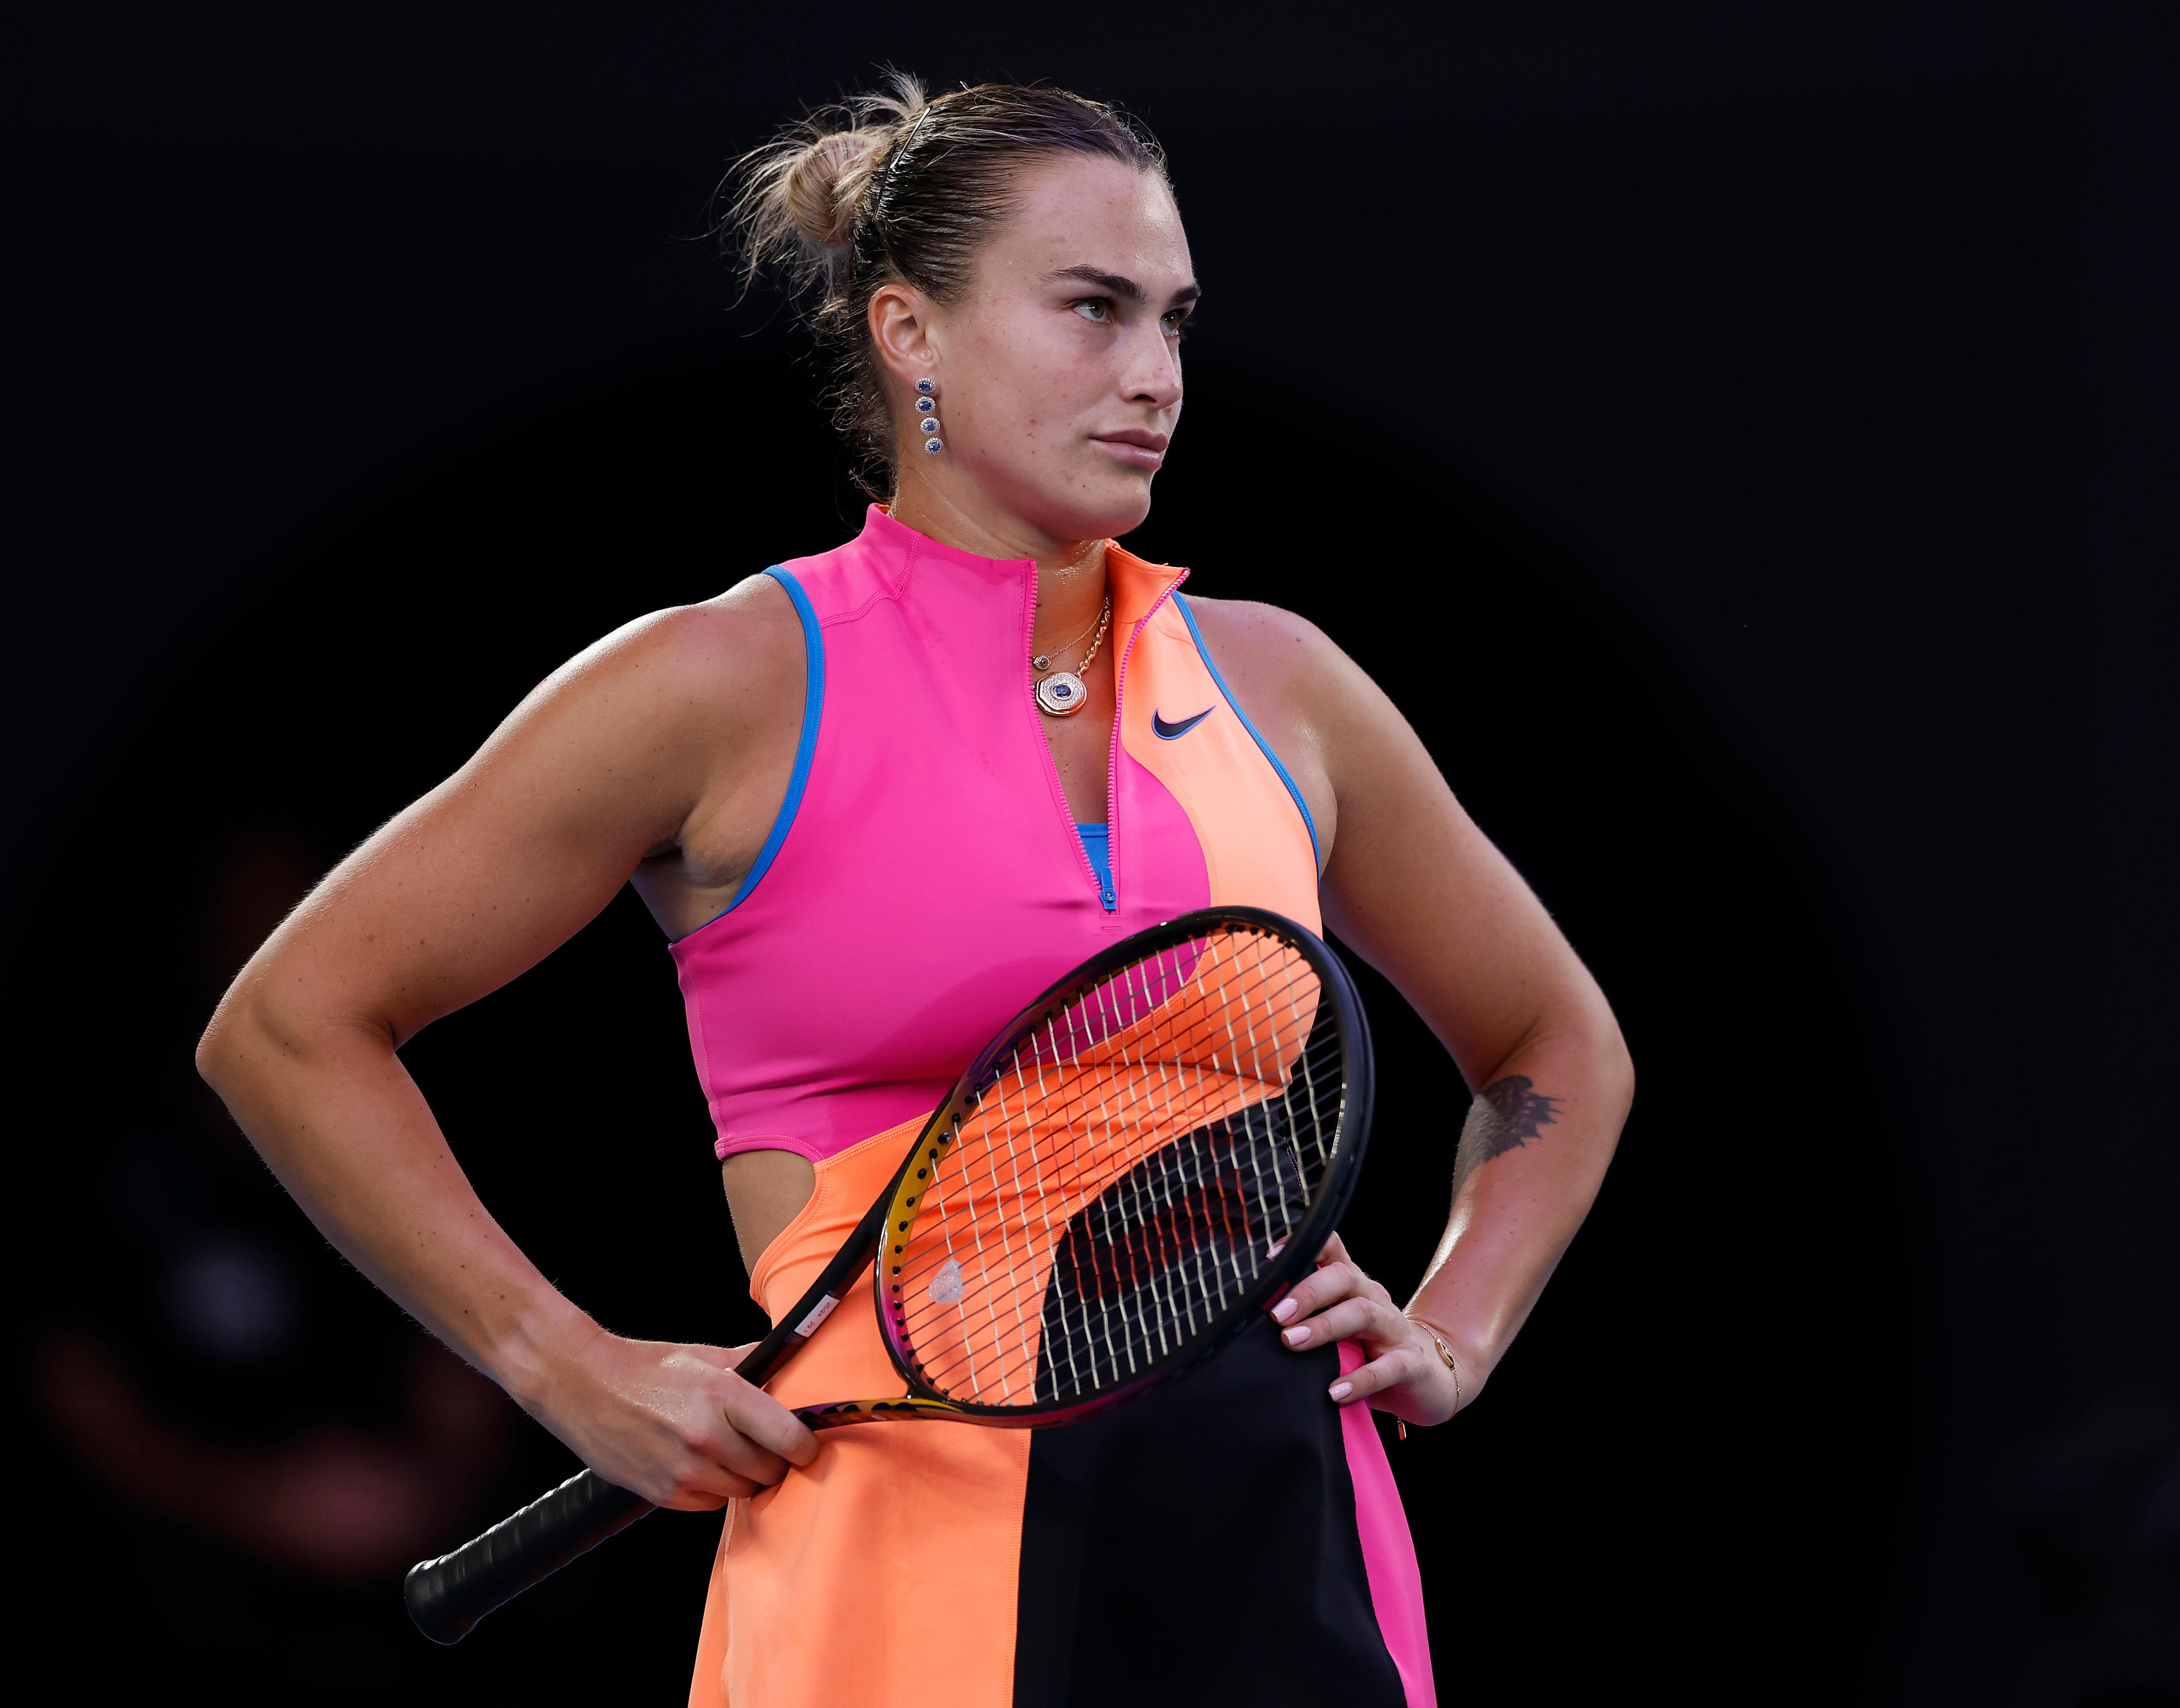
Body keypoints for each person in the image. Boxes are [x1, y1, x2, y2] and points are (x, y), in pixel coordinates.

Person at [198, 76, 1632, 1708]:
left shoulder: (1283, 684)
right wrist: (566, 1367)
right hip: (901, 1531)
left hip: (1283, 1513)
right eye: (1092, 311)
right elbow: (292, 1027)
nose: (1153, 375)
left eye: (1173, 320)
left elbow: (1556, 1043)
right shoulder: (722, 682)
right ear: (911, 332)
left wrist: (1454, 1328)